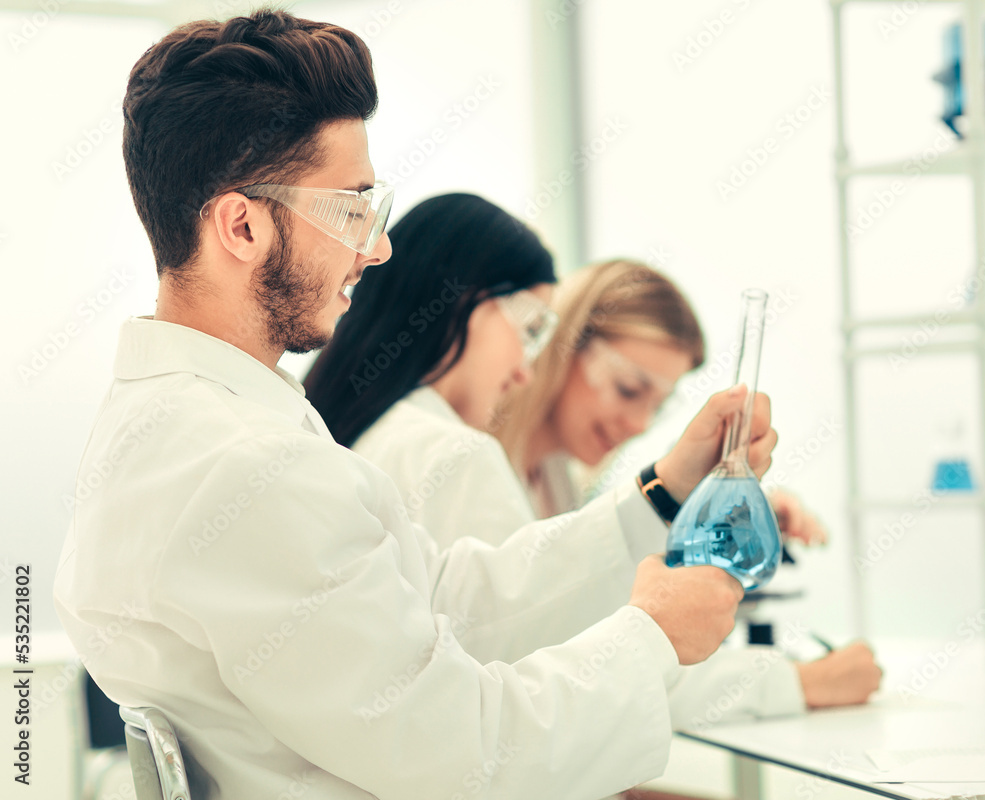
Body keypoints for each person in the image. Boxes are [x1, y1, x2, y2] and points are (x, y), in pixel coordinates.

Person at [52, 11, 757, 800]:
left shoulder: (179, 422)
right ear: (242, 225)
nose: (378, 247)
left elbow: (445, 602)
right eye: (352, 208)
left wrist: (659, 494)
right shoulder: (244, 464)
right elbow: (469, 757)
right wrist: (653, 636)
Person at [311, 245, 880, 721]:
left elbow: (589, 595)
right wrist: (795, 685)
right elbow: (574, 664)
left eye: (655, 409)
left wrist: (705, 513)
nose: (636, 426)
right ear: (559, 344)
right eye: (629, 389)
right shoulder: (455, 456)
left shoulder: (550, 476)